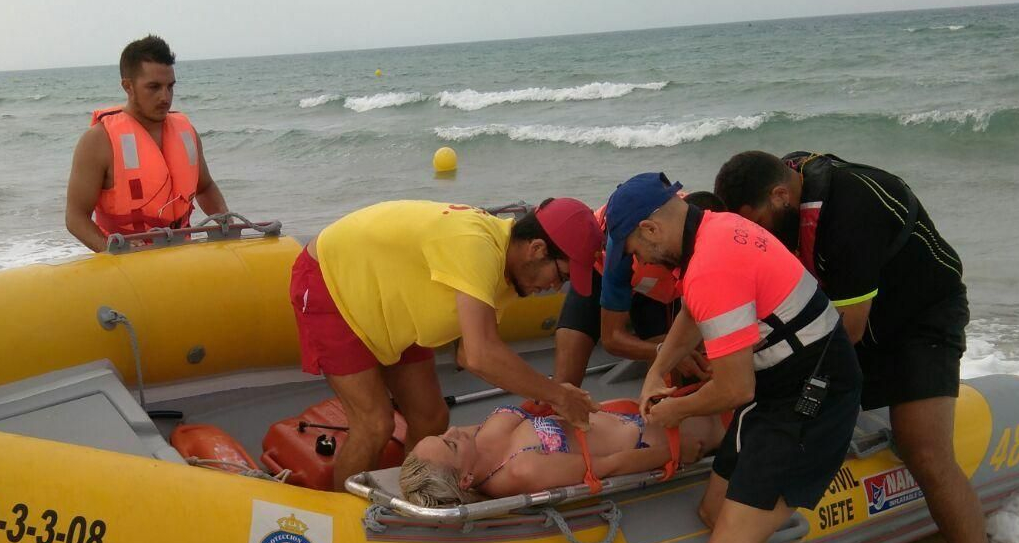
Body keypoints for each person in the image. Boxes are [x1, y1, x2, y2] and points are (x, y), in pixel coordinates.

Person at [610, 173, 861, 543]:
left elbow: (734, 388)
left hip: (812, 392)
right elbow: (694, 315)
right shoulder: (715, 226)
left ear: (652, 228)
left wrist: (673, 409)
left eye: (635, 249)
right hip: (776, 384)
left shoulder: (709, 267)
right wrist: (657, 369)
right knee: (713, 510)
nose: (640, 261)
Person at [714, 150, 988, 543]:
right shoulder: (787, 189)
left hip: (920, 318)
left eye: (759, 223)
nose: (757, 234)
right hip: (854, 313)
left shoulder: (850, 211)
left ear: (781, 194)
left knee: (923, 449)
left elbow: (849, 332)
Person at [291, 198, 603, 491]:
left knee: (431, 417)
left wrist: (551, 394)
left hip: (392, 297)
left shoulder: (507, 268)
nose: (554, 287)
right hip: (334, 282)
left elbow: (468, 353)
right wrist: (559, 396)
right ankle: (347, 519)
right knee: (374, 424)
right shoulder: (476, 247)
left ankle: (408, 492)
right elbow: (481, 355)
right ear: (536, 249)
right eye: (560, 275)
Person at [64, 34, 228, 251]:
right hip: (126, 265)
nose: (165, 97)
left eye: (170, 86)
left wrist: (226, 224)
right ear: (128, 86)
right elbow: (75, 217)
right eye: (154, 87)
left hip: (182, 253)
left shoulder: (186, 133)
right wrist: (112, 248)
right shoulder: (98, 141)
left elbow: (205, 187)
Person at [553, 190, 723, 387]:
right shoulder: (621, 253)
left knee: (679, 383)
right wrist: (664, 351)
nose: (640, 258)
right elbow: (612, 339)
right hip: (607, 268)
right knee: (565, 383)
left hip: (660, 289)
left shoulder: (711, 242)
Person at [400, 404, 725, 506]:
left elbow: (535, 406)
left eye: (442, 434)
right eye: (450, 444)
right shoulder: (521, 471)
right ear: (466, 478)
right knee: (743, 416)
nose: (452, 430)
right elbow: (608, 466)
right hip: (646, 437)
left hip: (628, 411)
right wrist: (673, 451)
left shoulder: (473, 442)